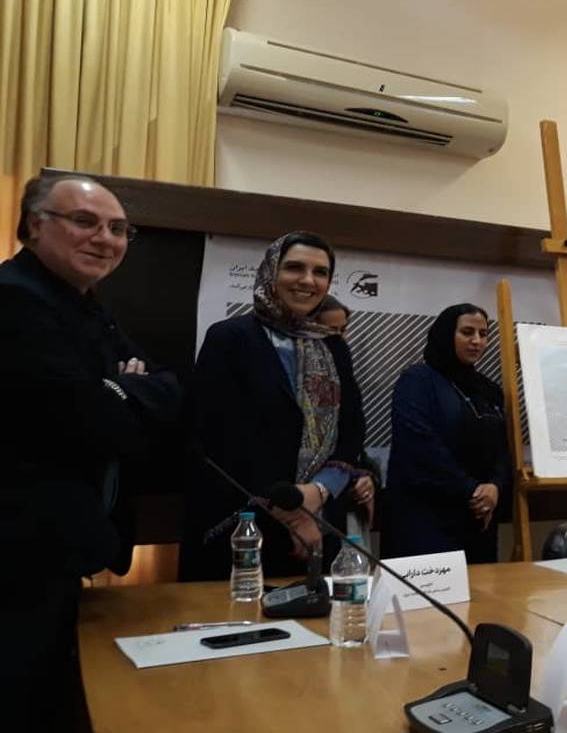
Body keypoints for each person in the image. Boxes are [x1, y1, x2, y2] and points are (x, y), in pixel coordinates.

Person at [0, 174, 182, 732]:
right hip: (17, 554)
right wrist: (123, 392)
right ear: (35, 226)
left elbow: (169, 390)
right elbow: (91, 419)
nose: (105, 239)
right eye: (85, 222)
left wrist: (122, 389)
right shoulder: (14, 300)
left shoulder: (87, 305)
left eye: (118, 228)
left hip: (59, 551)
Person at [181, 232, 369, 581]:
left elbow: (352, 430)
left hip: (320, 520)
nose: (308, 280)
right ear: (270, 272)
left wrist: (317, 493)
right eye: (294, 267)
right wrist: (290, 511)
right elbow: (213, 438)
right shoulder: (230, 338)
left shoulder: (334, 347)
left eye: (320, 272)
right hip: (242, 523)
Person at [381, 303, 510, 563]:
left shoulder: (488, 390)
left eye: (483, 334)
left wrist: (494, 487)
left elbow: (503, 448)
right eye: (467, 332)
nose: (477, 341)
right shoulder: (418, 380)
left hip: (479, 515)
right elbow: (420, 446)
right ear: (446, 334)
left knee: (483, 587)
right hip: (427, 517)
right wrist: (472, 489)